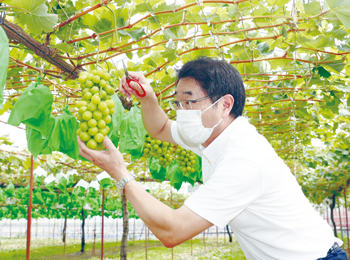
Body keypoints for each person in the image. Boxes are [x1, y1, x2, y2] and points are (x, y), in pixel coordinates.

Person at [77, 57, 347, 260]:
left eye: (190, 101)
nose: (183, 111)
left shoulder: (245, 158)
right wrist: (147, 97)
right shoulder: (211, 133)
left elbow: (173, 231)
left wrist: (120, 174)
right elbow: (160, 128)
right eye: (178, 102)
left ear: (225, 105)